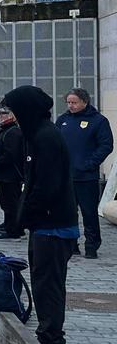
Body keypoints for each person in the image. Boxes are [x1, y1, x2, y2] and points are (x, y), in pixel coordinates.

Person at [3, 85, 79, 344]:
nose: (13, 116)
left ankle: (52, 341)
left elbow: (47, 185)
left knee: (48, 284)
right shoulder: (37, 135)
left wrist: (27, 214)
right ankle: (51, 336)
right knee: (44, 282)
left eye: (15, 110)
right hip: (45, 225)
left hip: (53, 226)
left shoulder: (46, 138)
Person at [57, 88, 113, 259]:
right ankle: (71, 244)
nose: (71, 106)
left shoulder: (98, 121)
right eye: (68, 102)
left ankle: (92, 245)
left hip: (86, 177)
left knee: (89, 213)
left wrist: (89, 164)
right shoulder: (63, 120)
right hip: (66, 176)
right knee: (68, 213)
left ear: (84, 102)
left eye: (74, 102)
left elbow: (106, 145)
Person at [0, 106, 25, 240]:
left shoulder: (13, 131)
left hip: (10, 174)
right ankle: (8, 224)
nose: (0, 116)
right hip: (4, 174)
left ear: (13, 116)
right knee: (6, 202)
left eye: (4, 113)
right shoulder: (5, 130)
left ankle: (14, 229)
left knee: (12, 202)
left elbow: (11, 154)